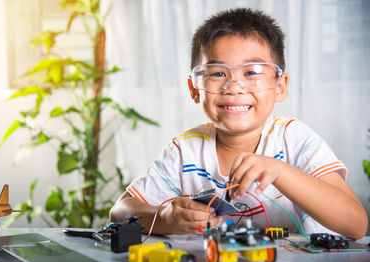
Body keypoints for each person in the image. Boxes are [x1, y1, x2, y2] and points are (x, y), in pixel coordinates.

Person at [109, 8, 368, 239]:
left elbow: (356, 224)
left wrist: (279, 171)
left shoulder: (294, 140)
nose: (234, 87)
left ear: (280, 86)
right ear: (195, 88)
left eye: (251, 72)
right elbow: (120, 211)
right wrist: (164, 217)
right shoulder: (184, 150)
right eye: (218, 73)